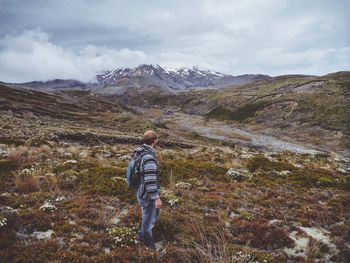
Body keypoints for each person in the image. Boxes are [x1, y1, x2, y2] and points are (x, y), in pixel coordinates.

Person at [134, 130, 162, 250]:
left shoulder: (139, 152)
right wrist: (156, 198)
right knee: (148, 221)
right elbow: (150, 180)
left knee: (154, 214)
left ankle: (140, 235)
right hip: (147, 195)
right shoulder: (149, 157)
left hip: (141, 191)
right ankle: (149, 245)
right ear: (155, 141)